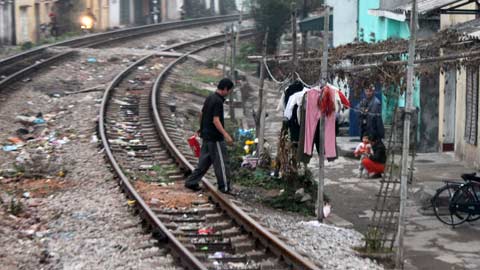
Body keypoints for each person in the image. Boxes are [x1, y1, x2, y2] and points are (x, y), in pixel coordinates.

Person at [185, 78, 234, 194]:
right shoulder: (218, 101)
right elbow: (216, 120)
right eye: (230, 91)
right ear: (225, 89)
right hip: (215, 138)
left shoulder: (210, 97)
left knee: (204, 163)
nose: (229, 93)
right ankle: (225, 187)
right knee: (222, 163)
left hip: (206, 136)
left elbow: (202, 114)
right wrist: (226, 134)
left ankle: (191, 182)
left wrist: (201, 128)